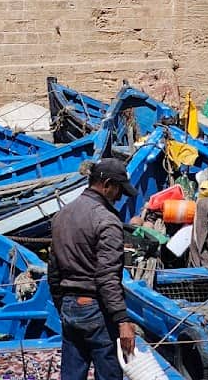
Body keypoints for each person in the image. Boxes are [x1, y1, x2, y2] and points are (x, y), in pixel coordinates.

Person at [48, 157, 138, 380]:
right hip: (95, 308)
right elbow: (107, 277)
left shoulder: (62, 215)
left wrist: (62, 304)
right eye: (118, 190)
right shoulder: (107, 221)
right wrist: (122, 320)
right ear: (107, 184)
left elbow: (53, 270)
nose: (119, 198)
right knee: (109, 373)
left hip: (70, 307)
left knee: (72, 374)